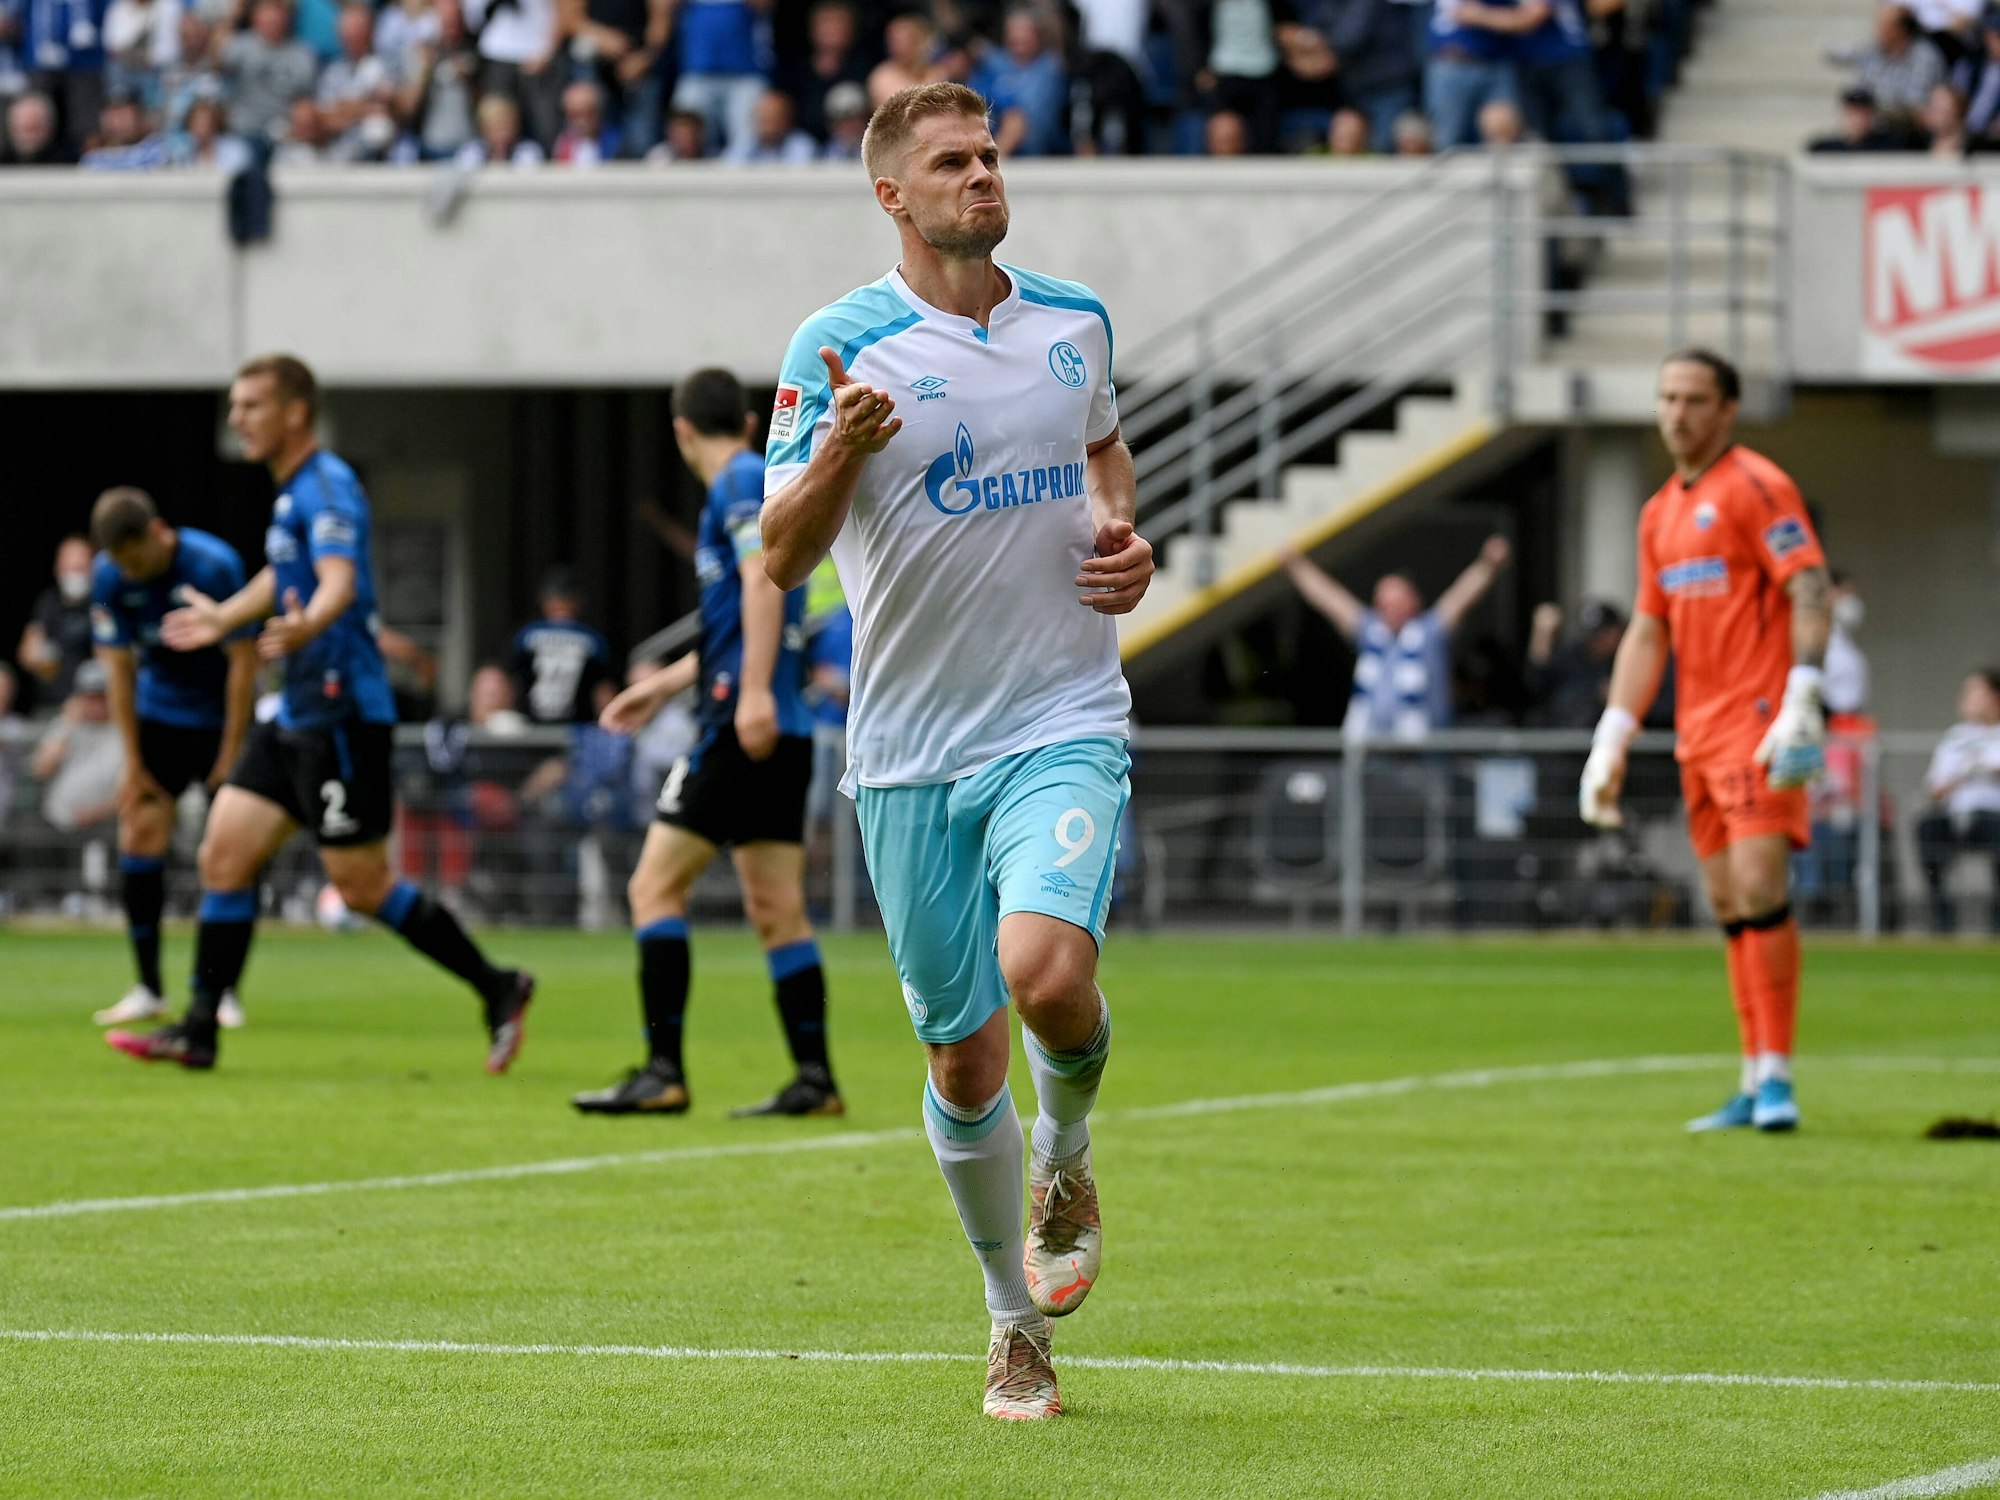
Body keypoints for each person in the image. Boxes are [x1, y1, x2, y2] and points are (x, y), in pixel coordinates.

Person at [759, 82, 1154, 1420]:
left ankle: (1072, 1153)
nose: (982, 176)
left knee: (1044, 977)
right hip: (912, 753)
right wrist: (837, 456)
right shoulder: (837, 346)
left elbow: (1105, 452)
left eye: (990, 155)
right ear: (894, 194)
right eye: (951, 162)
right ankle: (1010, 1322)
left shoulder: (1074, 320)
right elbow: (782, 553)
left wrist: (1124, 538)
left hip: (1063, 718)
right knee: (959, 1061)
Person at [108, 354, 534, 1072]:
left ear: (295, 412)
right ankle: (200, 1029)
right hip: (296, 710)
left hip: (340, 712)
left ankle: (499, 986)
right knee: (223, 855)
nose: (237, 417)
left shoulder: (328, 485)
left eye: (251, 405)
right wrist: (226, 618)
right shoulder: (290, 494)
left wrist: (307, 628)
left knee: (363, 887)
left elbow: (337, 581)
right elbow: (288, 572)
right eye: (235, 406)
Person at [573, 367, 839, 1118]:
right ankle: (815, 1081)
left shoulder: (738, 481)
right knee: (777, 906)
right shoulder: (758, 473)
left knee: (653, 887)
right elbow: (741, 617)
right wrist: (664, 685)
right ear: (750, 420)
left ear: (681, 428)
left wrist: (749, 692)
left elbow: (764, 584)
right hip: (780, 726)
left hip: (741, 721)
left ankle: (663, 1071)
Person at [1580, 348, 1832, 1134]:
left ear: (1727, 410)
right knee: (1725, 901)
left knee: (1760, 887)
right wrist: (1612, 737)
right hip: (1697, 732)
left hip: (1759, 726)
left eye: (1694, 399)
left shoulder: (1759, 486)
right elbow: (1648, 633)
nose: (1677, 414)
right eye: (1666, 398)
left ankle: (1781, 1077)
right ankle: (1753, 1076)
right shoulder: (1658, 513)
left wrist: (1803, 696)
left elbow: (1809, 586)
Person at [85, 487, 259, 1031]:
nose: (130, 573)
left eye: (136, 561)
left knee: (232, 854)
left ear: (158, 533)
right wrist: (132, 762)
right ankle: (148, 988)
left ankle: (222, 988)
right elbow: (118, 670)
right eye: (121, 564)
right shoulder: (108, 576)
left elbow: (244, 662)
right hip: (160, 716)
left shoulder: (213, 564)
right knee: (138, 834)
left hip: (220, 720)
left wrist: (231, 751)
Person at [1279, 535, 1513, 741]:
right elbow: (1331, 600)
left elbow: (1461, 598)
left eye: (1394, 602)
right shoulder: (1371, 632)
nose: (1386, 608)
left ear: (1413, 602)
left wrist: (1488, 566)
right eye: (1382, 603)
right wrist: (1296, 566)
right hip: (1371, 753)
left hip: (1422, 758)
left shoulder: (1429, 632)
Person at [1914, 667, 2000, 934]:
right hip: (1955, 816)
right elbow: (1935, 789)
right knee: (1926, 828)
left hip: (1993, 817)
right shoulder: (1955, 737)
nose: (1967, 698)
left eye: (1975, 692)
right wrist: (1964, 774)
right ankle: (1942, 916)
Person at [510, 570, 615, 725]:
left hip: (573, 728)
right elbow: (510, 682)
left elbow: (602, 690)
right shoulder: (592, 638)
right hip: (533, 726)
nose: (560, 604)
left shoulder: (526, 634)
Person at [32, 659, 123, 834]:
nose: (97, 704)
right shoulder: (66, 724)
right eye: (90, 697)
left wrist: (101, 811)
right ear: (79, 697)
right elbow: (42, 769)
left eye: (103, 696)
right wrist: (68, 725)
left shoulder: (126, 730)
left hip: (109, 829)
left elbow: (134, 785)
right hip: (58, 826)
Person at [17, 535, 98, 710]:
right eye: (69, 568)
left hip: (91, 708)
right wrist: (39, 655)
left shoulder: (101, 603)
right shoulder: (49, 602)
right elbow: (27, 653)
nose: (74, 575)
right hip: (50, 706)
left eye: (80, 568)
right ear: (58, 569)